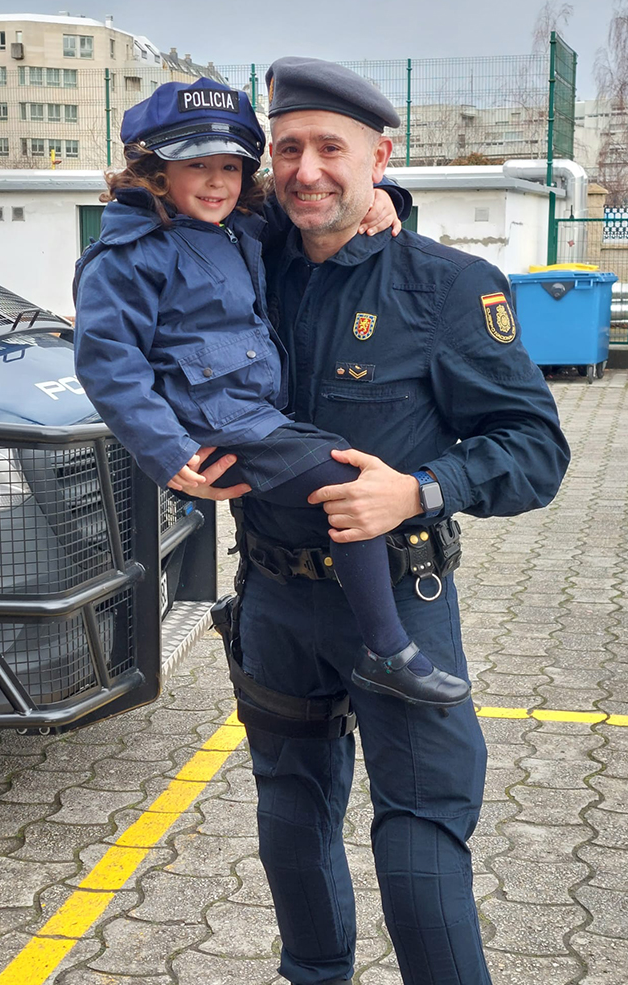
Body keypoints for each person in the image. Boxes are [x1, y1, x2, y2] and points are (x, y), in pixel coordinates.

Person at [188, 57, 571, 985]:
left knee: (418, 841)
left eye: (332, 148)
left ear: (379, 158)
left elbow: (535, 448)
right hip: (274, 600)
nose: (306, 169)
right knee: (289, 816)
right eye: (288, 148)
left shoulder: (446, 286)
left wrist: (419, 489)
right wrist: (178, 466)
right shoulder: (242, 264)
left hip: (398, 603)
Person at [72, 78, 469, 709]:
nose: (217, 182)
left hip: (254, 416)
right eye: (196, 165)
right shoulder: (128, 255)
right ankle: (389, 650)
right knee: (350, 485)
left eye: (231, 166)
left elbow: (323, 200)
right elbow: (109, 366)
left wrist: (384, 195)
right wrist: (167, 453)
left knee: (345, 483)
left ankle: (382, 647)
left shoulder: (240, 226)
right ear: (155, 171)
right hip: (216, 427)